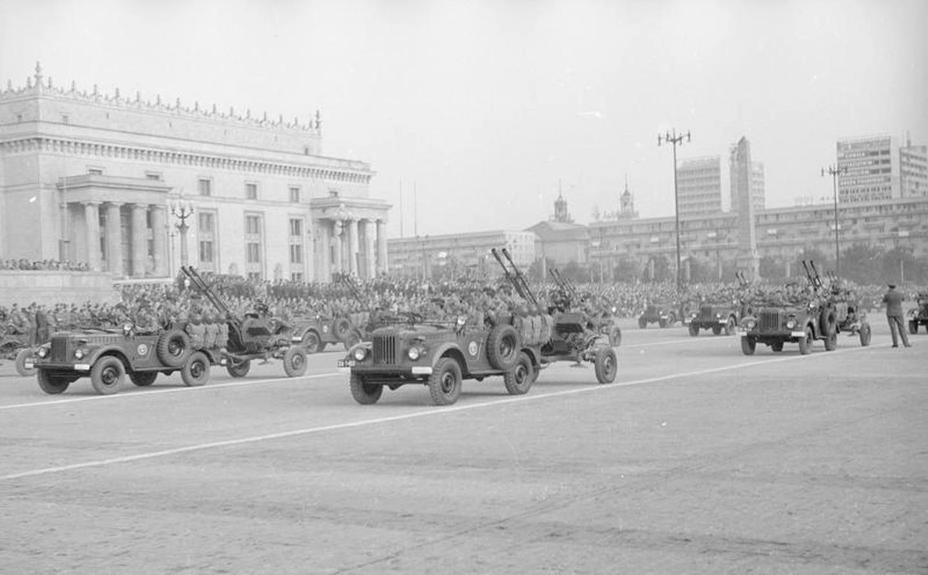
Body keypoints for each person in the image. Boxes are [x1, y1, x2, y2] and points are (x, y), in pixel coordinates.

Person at [882, 284, 911, 348]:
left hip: (890, 313)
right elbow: (903, 299)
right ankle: (906, 343)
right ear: (895, 287)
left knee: (893, 329)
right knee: (902, 328)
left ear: (889, 287)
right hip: (899, 312)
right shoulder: (900, 294)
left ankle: (895, 344)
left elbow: (884, 301)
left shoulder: (887, 294)